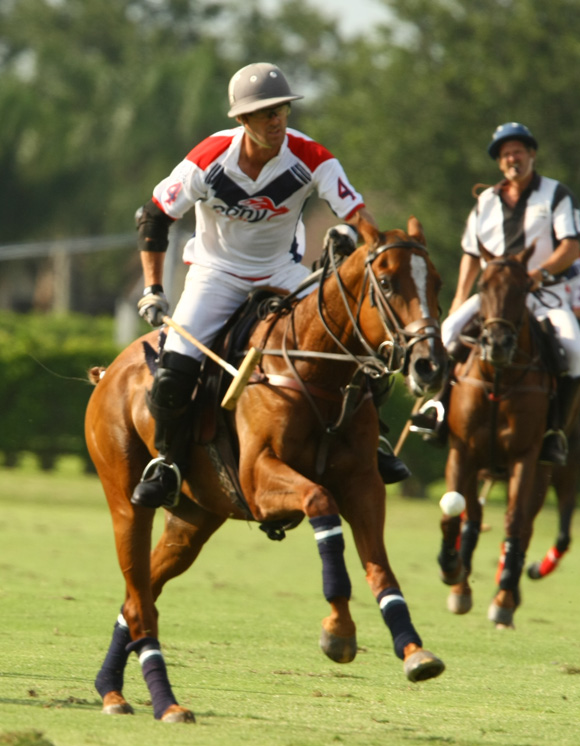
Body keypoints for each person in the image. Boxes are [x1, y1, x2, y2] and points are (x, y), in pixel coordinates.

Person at [132, 62, 408, 509]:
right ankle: (168, 464)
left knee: (357, 342)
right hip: (215, 273)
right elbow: (153, 216)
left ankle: (373, 443)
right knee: (174, 368)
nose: (276, 120)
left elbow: (354, 211)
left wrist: (372, 248)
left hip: (282, 271)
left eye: (281, 110)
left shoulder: (311, 157)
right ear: (242, 120)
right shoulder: (208, 160)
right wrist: (153, 288)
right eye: (265, 114)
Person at [412, 122, 580, 465]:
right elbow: (470, 255)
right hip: (495, 297)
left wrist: (538, 274)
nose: (512, 158)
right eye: (505, 154)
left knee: (576, 351)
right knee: (447, 334)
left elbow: (570, 246)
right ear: (499, 161)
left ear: (531, 154)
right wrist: (461, 298)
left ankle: (554, 432)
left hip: (543, 293)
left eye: (518, 151)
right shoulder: (486, 201)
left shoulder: (557, 194)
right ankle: (437, 410)